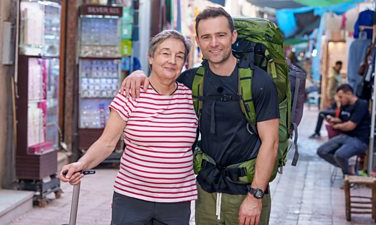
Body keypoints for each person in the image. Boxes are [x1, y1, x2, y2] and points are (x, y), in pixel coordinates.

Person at [121, 7, 279, 225]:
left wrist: (256, 196)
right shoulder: (191, 80)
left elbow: (270, 142)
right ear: (198, 41)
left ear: (233, 37)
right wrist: (138, 74)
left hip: (246, 192)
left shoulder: (259, 82)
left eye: (221, 35)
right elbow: (160, 81)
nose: (214, 43)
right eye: (206, 37)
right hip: (206, 192)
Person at [59, 30, 198, 225]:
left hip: (176, 202)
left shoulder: (192, 98)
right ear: (151, 57)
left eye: (179, 56)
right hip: (131, 198)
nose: (172, 61)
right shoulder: (131, 94)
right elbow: (107, 143)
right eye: (165, 53)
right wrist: (80, 164)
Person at [317, 84, 370, 176]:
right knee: (321, 151)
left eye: (341, 97)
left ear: (349, 93)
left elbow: (350, 126)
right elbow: (342, 119)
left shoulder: (361, 105)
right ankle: (349, 167)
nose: (340, 100)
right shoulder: (344, 104)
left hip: (359, 140)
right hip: (345, 136)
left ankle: (348, 177)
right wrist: (333, 119)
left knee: (340, 155)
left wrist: (337, 126)